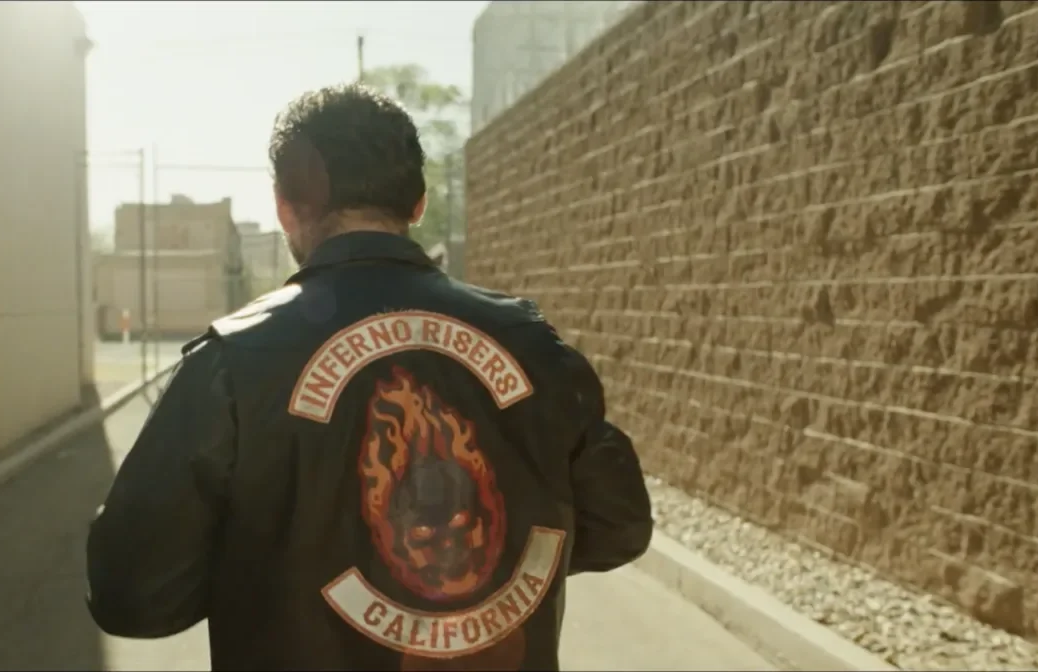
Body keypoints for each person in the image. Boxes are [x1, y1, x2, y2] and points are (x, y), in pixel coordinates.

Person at [85, 84, 654, 671]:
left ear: (285, 204)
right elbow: (620, 525)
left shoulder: (233, 362)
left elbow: (132, 595)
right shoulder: (534, 345)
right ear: (419, 204)